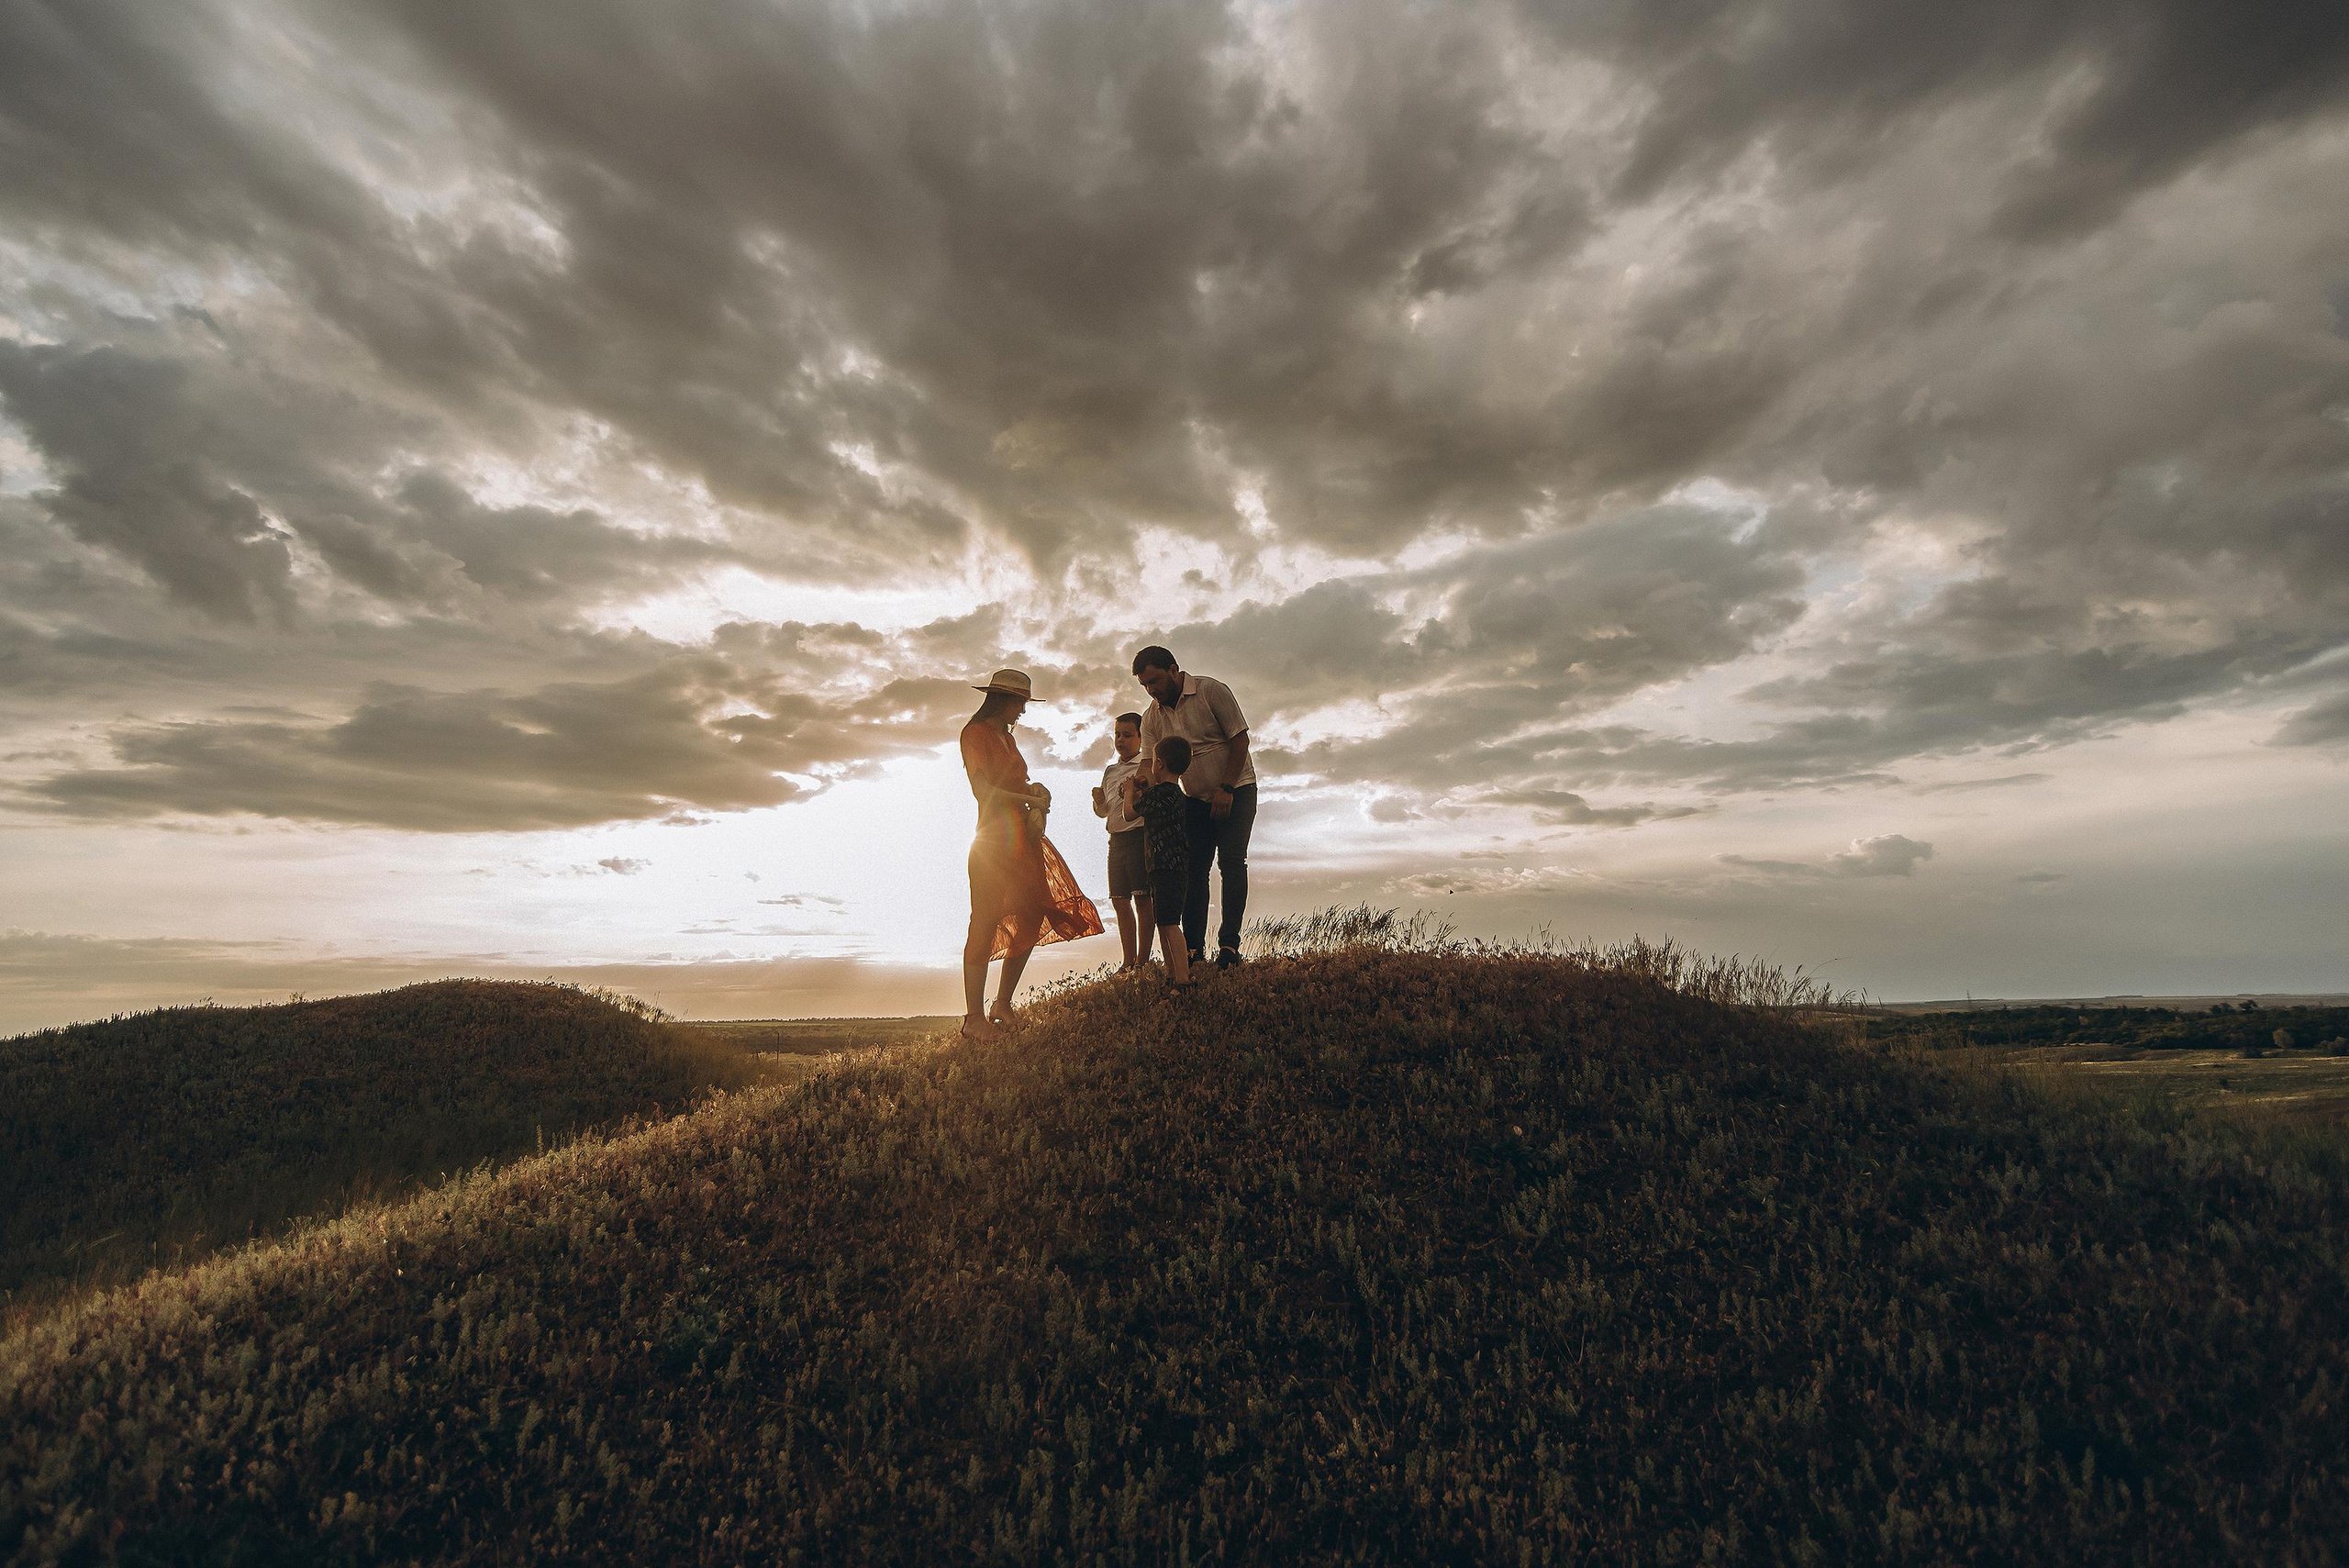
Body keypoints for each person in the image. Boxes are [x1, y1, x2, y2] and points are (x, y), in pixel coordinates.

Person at [958, 668, 1103, 1039]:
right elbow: (983, 791)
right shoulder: (974, 734)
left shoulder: (1006, 737)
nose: (1023, 710)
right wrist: (1030, 799)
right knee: (986, 919)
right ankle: (973, 1019)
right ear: (1002, 700)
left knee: (1033, 910)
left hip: (1022, 838)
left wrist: (1037, 793)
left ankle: (1002, 1002)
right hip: (993, 840)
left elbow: (1016, 782)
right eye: (1020, 702)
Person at [1132, 645, 1256, 970]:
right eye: (1145, 685)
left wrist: (1227, 788)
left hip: (1237, 790)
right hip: (1193, 800)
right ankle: (1193, 951)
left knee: (1231, 862)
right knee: (1194, 871)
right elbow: (1147, 762)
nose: (1152, 690)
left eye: (1156, 680)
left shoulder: (1210, 690)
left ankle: (1229, 946)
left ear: (1174, 669)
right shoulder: (1152, 717)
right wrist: (1140, 785)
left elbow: (1239, 740)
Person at [1128, 736, 1196, 991]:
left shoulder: (1158, 793)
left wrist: (1129, 792)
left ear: (1160, 764)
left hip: (1162, 866)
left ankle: (1182, 978)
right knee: (1165, 920)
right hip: (1175, 866)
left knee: (1169, 923)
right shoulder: (1175, 794)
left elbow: (1129, 812)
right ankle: (1173, 973)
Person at [1092, 711, 1154, 970]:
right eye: (1117, 735)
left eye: (1127, 735)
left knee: (1142, 898)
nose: (1121, 740)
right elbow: (1104, 812)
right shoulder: (1111, 771)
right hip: (1115, 840)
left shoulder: (1145, 768)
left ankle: (1142, 959)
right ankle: (1128, 960)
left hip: (1138, 837)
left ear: (1141, 738)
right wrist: (1098, 802)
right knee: (1119, 900)